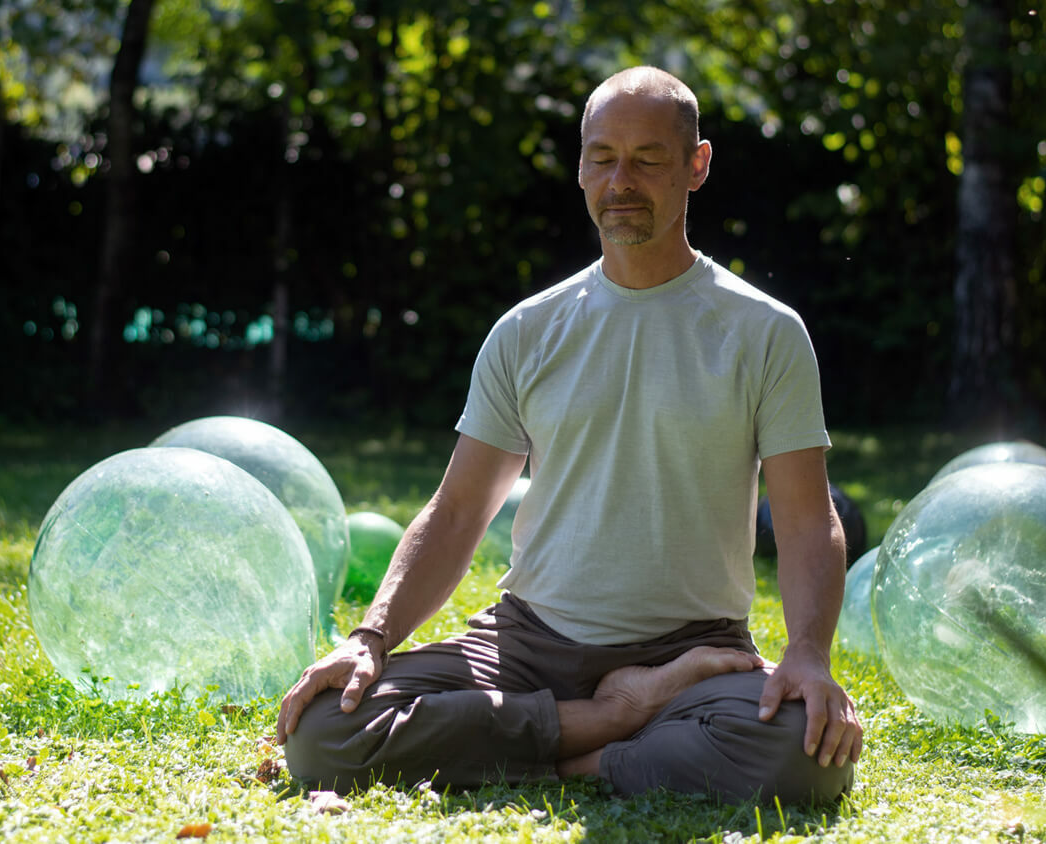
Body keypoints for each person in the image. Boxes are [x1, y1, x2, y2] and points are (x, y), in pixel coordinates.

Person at [277, 65, 861, 804]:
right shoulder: (528, 330)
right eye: (602, 157)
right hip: (525, 643)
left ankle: (571, 755)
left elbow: (811, 520)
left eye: (648, 159)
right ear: (580, 166)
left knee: (803, 758)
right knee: (326, 729)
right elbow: (457, 512)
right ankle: (617, 721)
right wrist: (369, 640)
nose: (621, 180)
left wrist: (807, 656)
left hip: (694, 651)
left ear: (697, 165)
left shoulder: (764, 333)